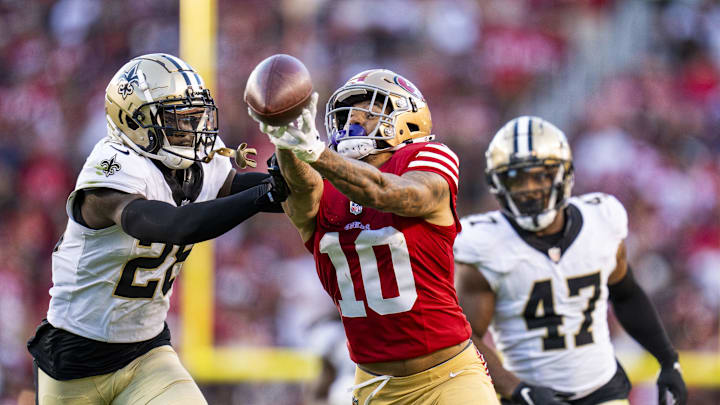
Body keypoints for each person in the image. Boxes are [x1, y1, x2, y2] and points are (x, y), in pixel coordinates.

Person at [27, 53, 288, 405]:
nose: (194, 130)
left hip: (147, 352)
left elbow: (243, 189)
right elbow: (173, 225)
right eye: (178, 119)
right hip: (75, 361)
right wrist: (266, 192)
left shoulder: (197, 165)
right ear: (133, 121)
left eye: (197, 117)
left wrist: (304, 180)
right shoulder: (113, 168)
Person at [253, 69, 498, 405]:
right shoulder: (323, 185)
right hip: (373, 387)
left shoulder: (425, 158)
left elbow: (388, 193)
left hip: (448, 378)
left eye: (366, 109)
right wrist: (285, 135)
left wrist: (316, 152)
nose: (352, 119)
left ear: (406, 118)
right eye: (347, 112)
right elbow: (301, 188)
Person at [454, 116, 688, 405]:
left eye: (539, 175)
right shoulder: (483, 244)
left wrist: (668, 359)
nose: (529, 188)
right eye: (516, 178)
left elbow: (626, 294)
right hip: (531, 398)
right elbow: (465, 337)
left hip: (603, 391)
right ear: (498, 183)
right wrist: (516, 389)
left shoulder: (601, 220)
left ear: (564, 174)